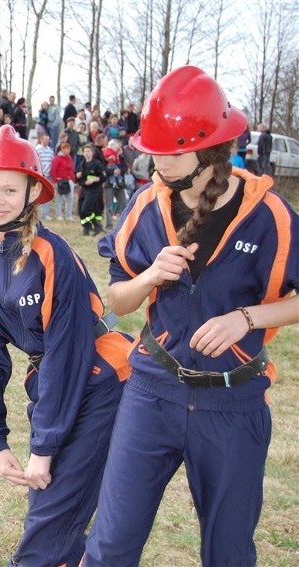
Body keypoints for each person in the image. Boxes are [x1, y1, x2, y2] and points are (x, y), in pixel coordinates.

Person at [83, 65, 299, 566]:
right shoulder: (144, 207)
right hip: (150, 393)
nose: (158, 160)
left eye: (172, 151)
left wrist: (246, 318)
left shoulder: (270, 215)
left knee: (228, 554)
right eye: (153, 148)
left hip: (234, 403)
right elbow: (118, 301)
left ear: (210, 149)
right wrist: (148, 277)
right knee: (109, 547)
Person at [0, 124, 131, 567]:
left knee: (47, 526)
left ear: (34, 191)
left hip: (102, 380)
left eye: (11, 190)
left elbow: (68, 354)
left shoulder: (52, 254)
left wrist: (43, 447)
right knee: (51, 515)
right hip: (52, 385)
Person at [76, 144, 106, 236]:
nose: (87, 154)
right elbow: (78, 178)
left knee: (86, 209)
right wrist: (77, 176)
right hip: (84, 189)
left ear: (92, 153)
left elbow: (103, 176)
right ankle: (86, 228)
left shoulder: (97, 164)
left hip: (94, 190)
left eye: (88, 151)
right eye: (85, 152)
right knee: (80, 210)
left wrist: (94, 180)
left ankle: (96, 225)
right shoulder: (82, 164)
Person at [50, 141, 75, 221]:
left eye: (69, 149)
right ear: (62, 149)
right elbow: (53, 170)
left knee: (70, 198)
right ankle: (59, 215)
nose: (68, 150)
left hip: (69, 180)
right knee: (59, 199)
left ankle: (69, 215)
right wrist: (55, 181)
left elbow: (71, 169)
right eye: (66, 148)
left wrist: (72, 178)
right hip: (60, 180)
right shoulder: (57, 159)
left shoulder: (69, 158)